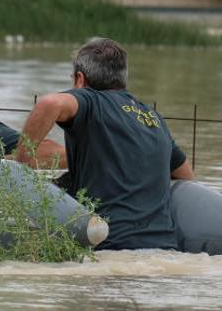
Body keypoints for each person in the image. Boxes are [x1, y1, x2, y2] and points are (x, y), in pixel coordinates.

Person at [16, 37, 195, 250]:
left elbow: (50, 103)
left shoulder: (91, 101)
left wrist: (21, 164)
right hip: (164, 250)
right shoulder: (154, 119)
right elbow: (187, 179)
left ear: (80, 80)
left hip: (108, 248)